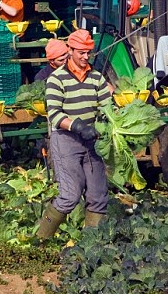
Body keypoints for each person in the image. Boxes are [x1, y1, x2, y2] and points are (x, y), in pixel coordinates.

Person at [36, 29, 112, 239]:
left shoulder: (97, 78)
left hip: (91, 141)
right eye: (81, 52)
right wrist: (79, 127)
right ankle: (41, 240)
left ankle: (91, 243)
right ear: (69, 50)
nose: (85, 57)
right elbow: (55, 116)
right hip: (66, 140)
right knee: (70, 196)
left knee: (98, 195)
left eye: (89, 52)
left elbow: (107, 107)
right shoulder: (56, 79)